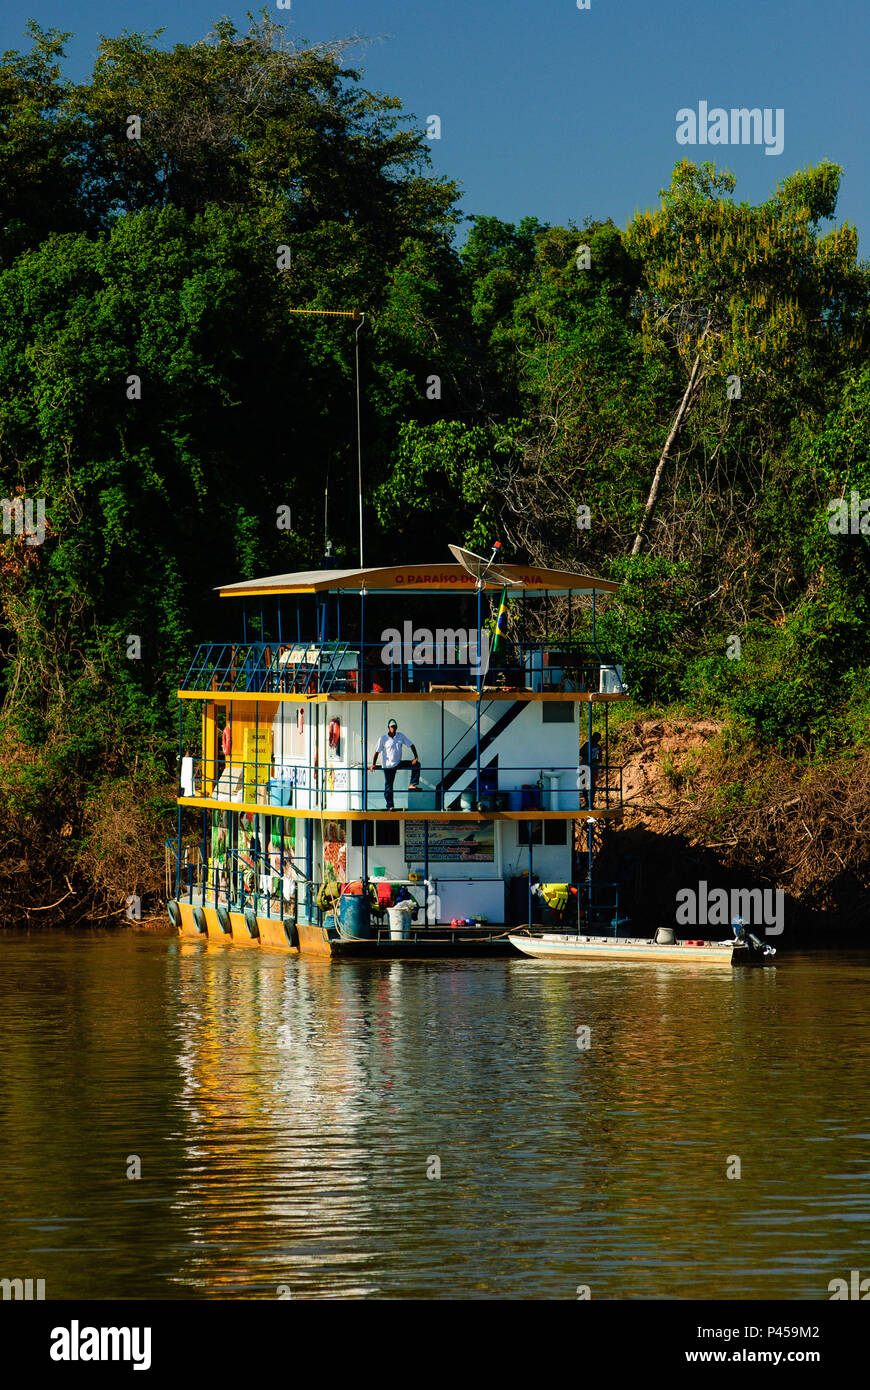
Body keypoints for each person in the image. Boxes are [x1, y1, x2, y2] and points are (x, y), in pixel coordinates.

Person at [370, 718, 421, 809]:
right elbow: (376, 752)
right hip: (388, 766)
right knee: (389, 786)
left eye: (394, 726)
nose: (393, 728)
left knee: (416, 764)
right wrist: (373, 764)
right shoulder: (383, 738)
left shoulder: (400, 736)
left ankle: (412, 784)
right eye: (391, 726)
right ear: (388, 727)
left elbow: (411, 745)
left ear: (396, 727)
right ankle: (390, 806)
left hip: (398, 763)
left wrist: (416, 757)